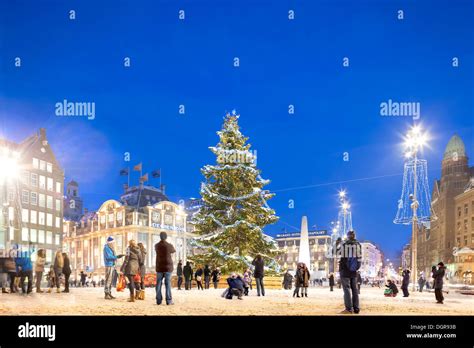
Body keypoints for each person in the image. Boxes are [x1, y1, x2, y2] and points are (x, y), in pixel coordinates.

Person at [338, 230, 362, 314]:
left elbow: (337, 252)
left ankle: (348, 309)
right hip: (354, 270)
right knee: (354, 289)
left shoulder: (345, 244)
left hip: (345, 270)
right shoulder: (358, 244)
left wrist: (339, 243)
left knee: (347, 289)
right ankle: (356, 308)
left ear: (348, 236)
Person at [155, 231, 176, 305]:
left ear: (160, 237)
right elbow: (173, 251)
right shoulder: (169, 245)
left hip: (159, 267)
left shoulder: (156, 245)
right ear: (166, 237)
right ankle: (169, 300)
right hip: (168, 267)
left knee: (158, 284)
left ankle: (158, 300)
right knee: (168, 284)